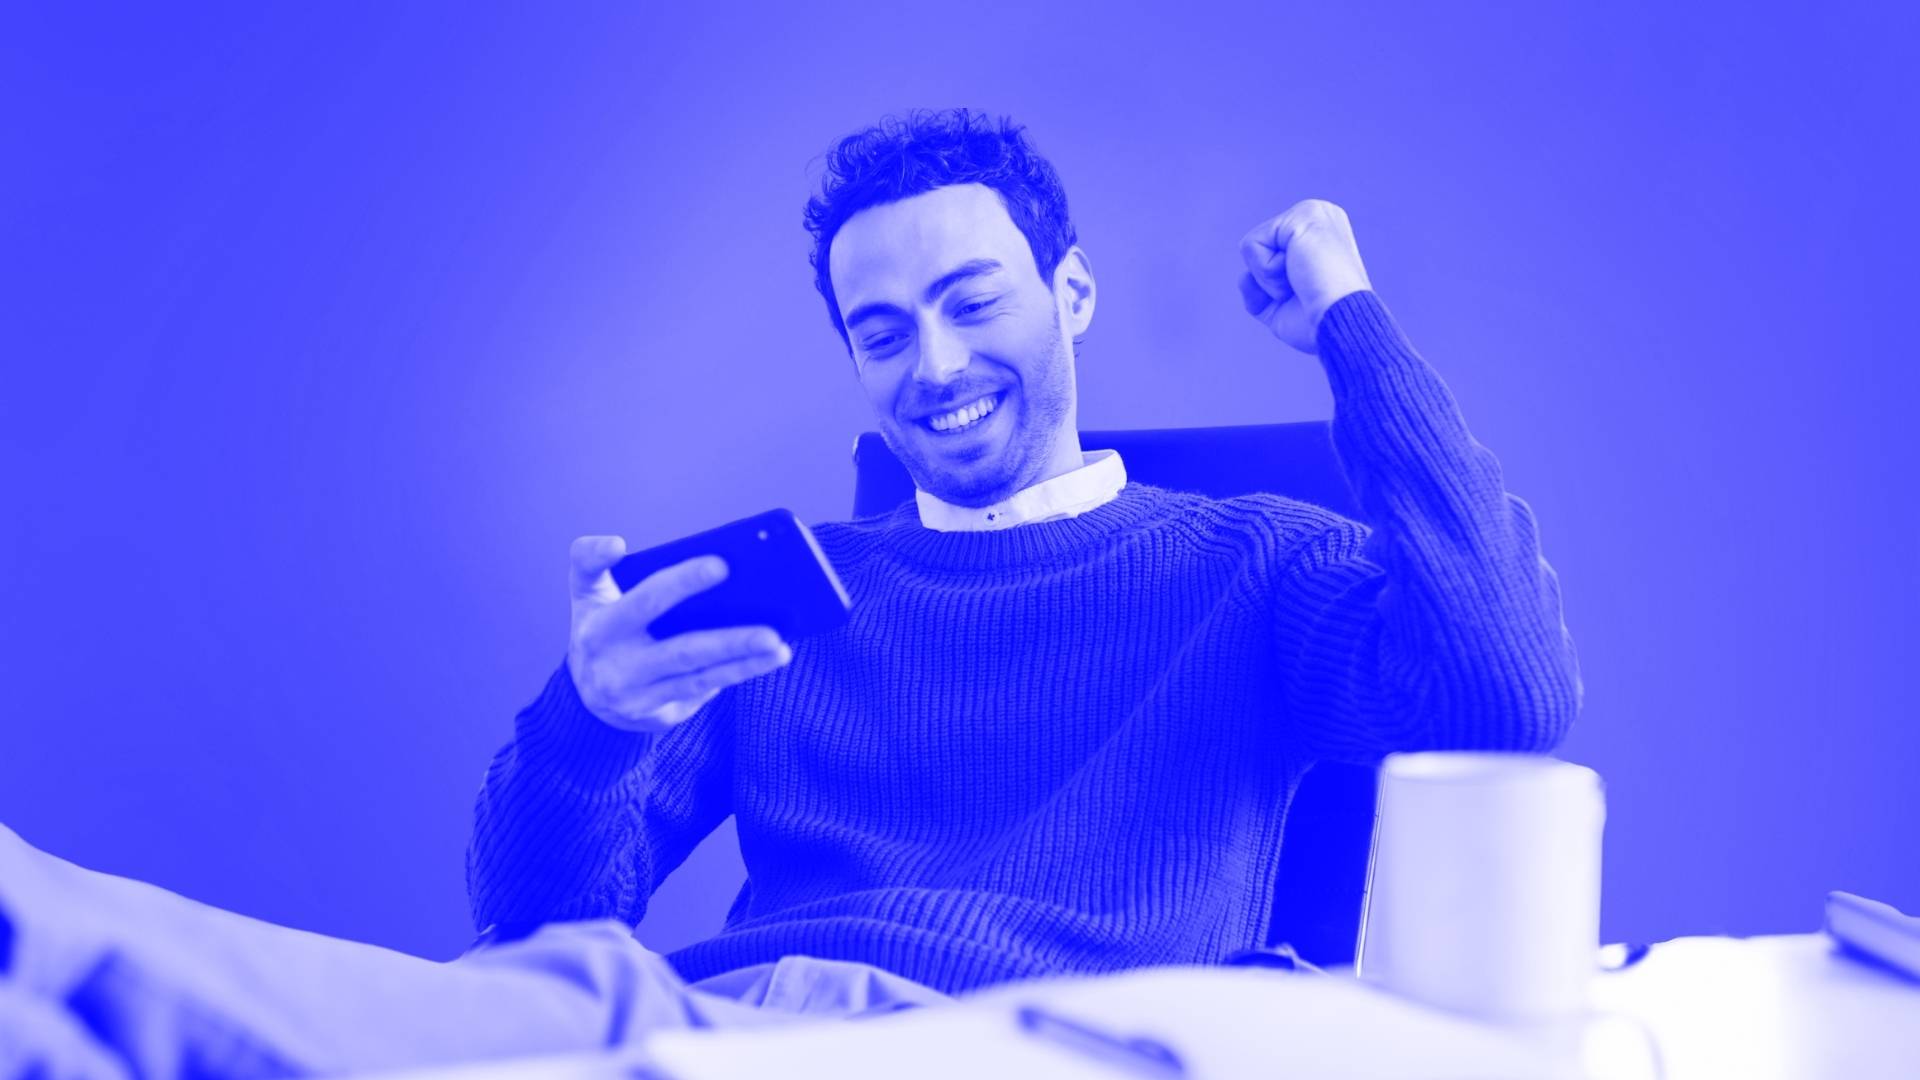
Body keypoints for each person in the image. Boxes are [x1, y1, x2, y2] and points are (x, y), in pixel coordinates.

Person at [0, 107, 1581, 1077]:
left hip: (1004, 1044)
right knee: (116, 1008)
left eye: (972, 303)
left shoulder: (1249, 563)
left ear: (1072, 294)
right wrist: (594, 722)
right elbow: (540, 911)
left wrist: (1354, 329)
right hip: (715, 1020)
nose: (936, 365)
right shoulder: (805, 596)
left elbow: (1506, 697)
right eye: (881, 329)